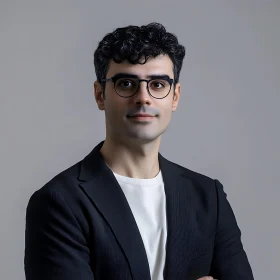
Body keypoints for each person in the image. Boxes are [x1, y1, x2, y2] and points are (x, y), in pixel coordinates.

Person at [24, 22, 254, 280]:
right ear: (100, 95)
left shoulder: (208, 197)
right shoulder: (59, 202)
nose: (143, 97)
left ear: (175, 96)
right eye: (126, 83)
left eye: (157, 85)